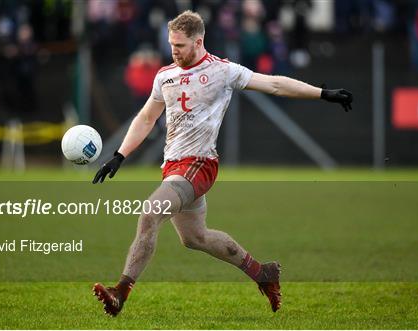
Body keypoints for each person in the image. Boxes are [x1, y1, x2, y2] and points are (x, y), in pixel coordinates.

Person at [92, 10, 352, 317]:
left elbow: (275, 85)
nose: (173, 50)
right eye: (171, 44)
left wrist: (322, 94)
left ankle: (120, 292)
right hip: (173, 166)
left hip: (199, 164)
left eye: (180, 45)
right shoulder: (165, 75)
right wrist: (120, 155)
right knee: (195, 238)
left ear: (198, 41)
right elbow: (147, 117)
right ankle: (263, 273)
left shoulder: (223, 71)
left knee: (150, 213)